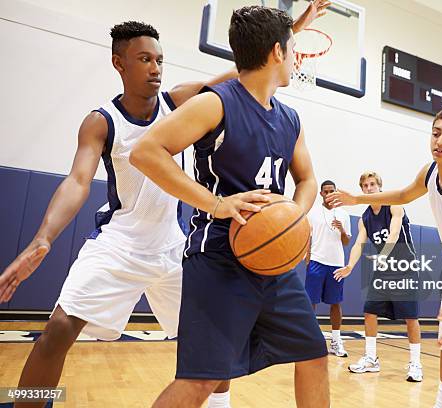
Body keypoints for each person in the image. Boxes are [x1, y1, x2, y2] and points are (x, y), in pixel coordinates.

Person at [0, 3, 329, 407]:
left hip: (174, 249)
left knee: (216, 366)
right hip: (120, 244)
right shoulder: (103, 120)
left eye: (159, 59)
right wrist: (43, 239)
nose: (155, 68)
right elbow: (77, 181)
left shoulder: (179, 101)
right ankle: (24, 402)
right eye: (144, 59)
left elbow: (249, 74)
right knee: (57, 332)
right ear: (118, 64)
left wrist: (290, 31)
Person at [130, 5, 330, 408]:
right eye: (294, 48)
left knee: (313, 353)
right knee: (201, 381)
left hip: (273, 260)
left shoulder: (291, 118)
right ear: (277, 52)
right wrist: (217, 204)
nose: (297, 58)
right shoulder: (216, 103)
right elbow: (146, 152)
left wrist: (294, 213)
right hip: (220, 256)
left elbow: (307, 180)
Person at [327, 107, 442, 408]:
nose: (440, 141)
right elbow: (402, 195)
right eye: (436, 133)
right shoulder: (430, 171)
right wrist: (357, 199)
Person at [333, 171, 423, 381]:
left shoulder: (394, 205)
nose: (369, 188)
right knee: (369, 312)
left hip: (404, 266)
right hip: (383, 268)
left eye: (372, 184)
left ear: (379, 187)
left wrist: (382, 256)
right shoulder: (364, 218)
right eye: (365, 185)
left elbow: (393, 235)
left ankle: (416, 363)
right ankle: (371, 359)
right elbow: (358, 244)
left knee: (410, 317)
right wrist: (350, 266)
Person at [305, 180, 351, 357]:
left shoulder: (344, 214)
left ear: (335, 192)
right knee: (311, 301)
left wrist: (341, 230)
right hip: (317, 261)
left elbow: (346, 242)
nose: (329, 194)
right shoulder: (313, 213)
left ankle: (336, 341)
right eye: (326, 191)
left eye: (332, 191)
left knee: (335, 302)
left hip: (336, 264)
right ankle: (309, 340)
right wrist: (308, 257)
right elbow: (307, 236)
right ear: (321, 194)